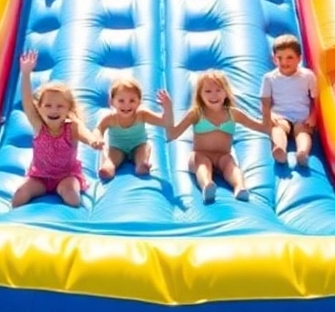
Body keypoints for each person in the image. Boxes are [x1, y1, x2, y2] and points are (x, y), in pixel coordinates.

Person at [12, 50, 104, 208]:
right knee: (20, 194)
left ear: (69, 109)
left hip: (66, 176)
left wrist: (93, 141)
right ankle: (10, 221)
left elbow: (86, 134)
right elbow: (27, 101)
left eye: (60, 106)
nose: (53, 110)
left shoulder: (72, 126)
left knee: (72, 197)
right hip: (39, 177)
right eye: (48, 106)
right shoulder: (38, 125)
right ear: (39, 108)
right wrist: (26, 73)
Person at [164, 70, 271, 203]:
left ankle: (240, 187)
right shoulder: (196, 113)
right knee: (202, 163)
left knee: (230, 165)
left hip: (222, 155)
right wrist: (168, 110)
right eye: (208, 91)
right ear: (200, 95)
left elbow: (261, 127)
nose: (213, 95)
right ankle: (207, 185)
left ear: (226, 92)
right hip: (200, 154)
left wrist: (266, 110)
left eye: (218, 90)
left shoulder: (233, 113)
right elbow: (172, 134)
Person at [93, 78, 173, 179]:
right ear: (112, 102)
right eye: (121, 101)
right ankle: (108, 168)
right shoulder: (110, 118)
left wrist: (168, 108)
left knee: (143, 150)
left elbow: (164, 121)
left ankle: (141, 165)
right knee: (112, 158)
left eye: (132, 100)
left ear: (139, 101)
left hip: (138, 145)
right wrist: (98, 138)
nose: (126, 105)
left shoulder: (142, 114)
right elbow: (98, 129)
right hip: (117, 147)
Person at [260, 33, 319, 168]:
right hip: (280, 114)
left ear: (299, 59)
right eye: (279, 58)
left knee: (302, 131)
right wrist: (269, 115)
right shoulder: (269, 78)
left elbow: (315, 99)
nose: (284, 62)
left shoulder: (307, 76)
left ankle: (302, 152)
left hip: (301, 116)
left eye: (290, 57)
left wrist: (313, 116)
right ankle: (280, 149)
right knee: (279, 128)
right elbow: (264, 101)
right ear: (274, 59)